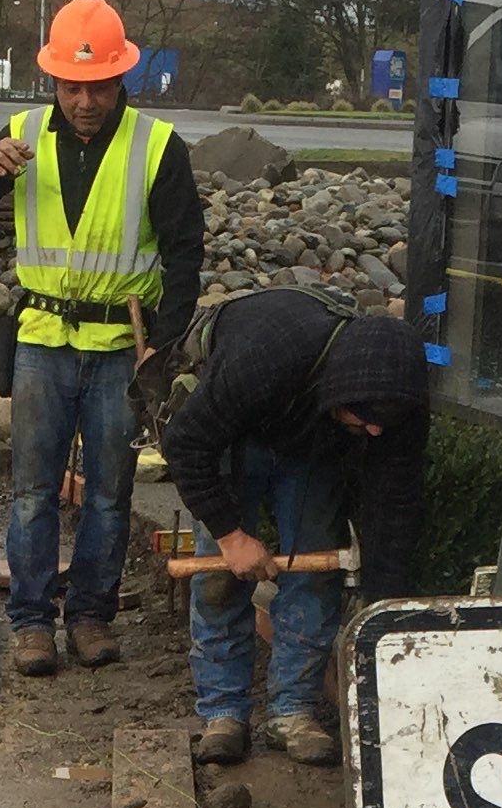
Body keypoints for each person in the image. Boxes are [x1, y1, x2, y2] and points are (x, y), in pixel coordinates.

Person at [0, 0, 203, 679]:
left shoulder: (155, 147)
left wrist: (165, 345)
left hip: (121, 348)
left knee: (110, 494)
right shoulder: (23, 133)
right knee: (33, 490)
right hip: (43, 342)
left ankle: (90, 615)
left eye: (98, 86)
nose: (85, 100)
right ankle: (31, 622)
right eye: (72, 86)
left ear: (122, 78)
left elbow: (184, 255)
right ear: (53, 81)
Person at [161, 293, 429, 767]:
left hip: (312, 445)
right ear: (340, 393)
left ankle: (294, 710)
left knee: (314, 574)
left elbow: (395, 501)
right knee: (221, 580)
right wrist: (230, 535)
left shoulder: (395, 406)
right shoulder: (266, 357)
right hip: (235, 434)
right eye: (364, 419)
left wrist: (383, 600)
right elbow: (186, 445)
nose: (374, 433)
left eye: (381, 425)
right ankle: (223, 712)